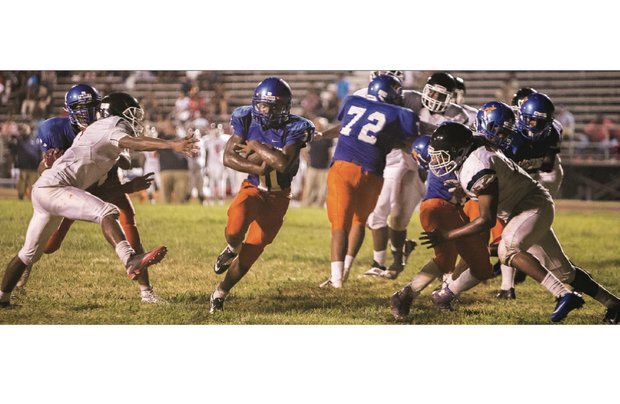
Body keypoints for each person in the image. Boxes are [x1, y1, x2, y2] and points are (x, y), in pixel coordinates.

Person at [0, 91, 199, 308]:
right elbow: (134, 142)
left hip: (47, 190)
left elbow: (99, 191)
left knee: (28, 254)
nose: (135, 120)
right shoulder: (112, 124)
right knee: (107, 212)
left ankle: (2, 298)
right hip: (56, 187)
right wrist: (173, 144)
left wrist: (129, 187)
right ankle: (130, 259)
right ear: (118, 113)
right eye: (132, 113)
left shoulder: (98, 140)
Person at [419, 122, 619, 323]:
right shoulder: (474, 150)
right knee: (564, 271)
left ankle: (563, 295)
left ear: (459, 150)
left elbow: (486, 220)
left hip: (530, 207)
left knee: (508, 250)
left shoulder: (477, 167)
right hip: (524, 207)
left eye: (441, 155)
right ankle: (614, 304)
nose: (436, 160)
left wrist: (446, 236)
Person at [209, 77, 315, 313]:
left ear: (285, 107)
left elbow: (284, 165)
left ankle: (220, 292)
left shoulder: (296, 126)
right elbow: (228, 158)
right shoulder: (245, 117)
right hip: (253, 188)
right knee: (234, 227)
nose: (265, 111)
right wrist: (258, 167)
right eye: (263, 105)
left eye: (272, 106)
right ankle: (231, 248)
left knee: (251, 253)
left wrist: (256, 145)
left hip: (279, 198)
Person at [320, 74, 418, 288]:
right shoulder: (402, 113)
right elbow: (406, 140)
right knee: (359, 221)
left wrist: (322, 135)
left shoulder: (353, 101)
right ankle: (345, 271)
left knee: (339, 225)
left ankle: (336, 280)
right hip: (374, 173)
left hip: (345, 168)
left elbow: (346, 127)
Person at [389, 133, 495, 320]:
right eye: (433, 156)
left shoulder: (452, 158)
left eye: (438, 154)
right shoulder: (446, 164)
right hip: (438, 209)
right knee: (463, 263)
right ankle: (438, 295)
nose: (437, 159)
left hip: (448, 210)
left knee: (457, 263)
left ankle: (420, 294)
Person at [355, 71, 422, 279]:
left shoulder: (411, 97)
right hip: (377, 159)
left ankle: (381, 262)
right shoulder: (361, 95)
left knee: (384, 215)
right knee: (376, 216)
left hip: (400, 161)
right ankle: (398, 252)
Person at [8, 124, 41, 200]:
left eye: (25, 129)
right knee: (22, 185)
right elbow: (12, 150)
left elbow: (39, 152)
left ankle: (33, 198)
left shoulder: (35, 140)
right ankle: (21, 196)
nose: (24, 131)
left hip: (34, 167)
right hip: (23, 166)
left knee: (33, 184)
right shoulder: (18, 141)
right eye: (22, 130)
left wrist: (39, 162)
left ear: (29, 130)